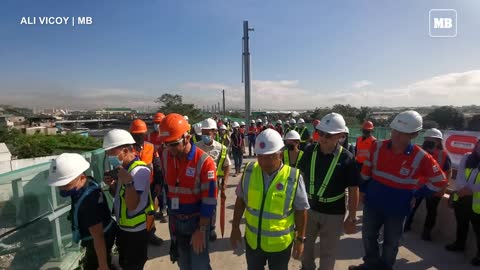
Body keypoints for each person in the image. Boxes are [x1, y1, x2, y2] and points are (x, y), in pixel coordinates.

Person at [349, 111, 448, 270]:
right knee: (368, 236)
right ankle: (370, 265)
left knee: (391, 242)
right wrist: (363, 192)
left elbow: (440, 181)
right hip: (373, 204)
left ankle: (385, 267)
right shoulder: (377, 146)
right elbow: (366, 171)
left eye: (402, 133)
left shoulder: (421, 157)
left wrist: (417, 193)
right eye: (395, 130)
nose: (396, 135)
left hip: (397, 209)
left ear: (414, 134)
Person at [230, 129, 310, 270]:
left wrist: (300, 239)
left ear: (280, 153)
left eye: (269, 157)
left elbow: (301, 210)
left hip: (280, 246)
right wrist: (235, 227)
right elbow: (240, 201)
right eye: (260, 156)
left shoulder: (293, 177)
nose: (263, 162)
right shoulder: (249, 171)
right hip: (253, 243)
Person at [299, 113, 360, 270]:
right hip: (310, 209)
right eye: (321, 133)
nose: (323, 138)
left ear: (340, 136)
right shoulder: (309, 151)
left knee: (328, 252)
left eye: (328, 135)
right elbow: (299, 178)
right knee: (305, 249)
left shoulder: (347, 158)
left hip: (334, 213)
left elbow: (353, 189)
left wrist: (352, 217)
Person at [158, 113, 218, 270]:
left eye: (173, 144)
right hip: (176, 222)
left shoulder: (204, 162)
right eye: (166, 144)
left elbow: (209, 200)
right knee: (183, 264)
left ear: (187, 138)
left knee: (200, 265)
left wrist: (202, 229)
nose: (169, 149)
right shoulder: (165, 156)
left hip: (197, 223)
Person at [48, 153, 116, 270]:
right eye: (59, 186)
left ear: (82, 178)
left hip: (98, 240)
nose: (62, 189)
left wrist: (103, 265)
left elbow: (98, 237)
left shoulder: (89, 202)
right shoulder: (88, 182)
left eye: (66, 184)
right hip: (106, 232)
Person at [102, 129, 154, 270]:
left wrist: (129, 182)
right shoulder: (124, 169)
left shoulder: (138, 171)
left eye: (111, 152)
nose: (108, 156)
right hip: (124, 229)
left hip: (136, 232)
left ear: (125, 151)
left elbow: (132, 205)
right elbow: (119, 197)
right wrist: (112, 185)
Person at [404, 128, 452, 240]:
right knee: (412, 207)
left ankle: (426, 232)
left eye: (432, 139)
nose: (429, 141)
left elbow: (448, 172)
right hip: (419, 186)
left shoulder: (444, 155)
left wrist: (443, 188)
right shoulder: (420, 152)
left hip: (435, 188)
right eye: (427, 139)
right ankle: (406, 225)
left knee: (431, 211)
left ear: (439, 141)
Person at [129, 119, 164, 246]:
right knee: (134, 210)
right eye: (135, 135)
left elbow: (157, 165)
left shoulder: (150, 147)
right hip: (132, 187)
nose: (138, 137)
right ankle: (137, 235)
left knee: (150, 210)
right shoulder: (127, 150)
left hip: (149, 185)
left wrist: (159, 183)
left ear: (145, 134)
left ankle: (150, 233)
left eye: (140, 134)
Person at [445, 140, 480, 266]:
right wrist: (463, 189)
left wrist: (470, 190)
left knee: (478, 230)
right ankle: (459, 244)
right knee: (461, 223)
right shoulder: (467, 157)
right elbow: (460, 175)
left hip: (477, 202)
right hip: (462, 198)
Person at [196, 118, 231, 242]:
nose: (205, 135)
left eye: (208, 133)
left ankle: (211, 228)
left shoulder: (221, 148)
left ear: (214, 133)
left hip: (212, 183)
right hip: (198, 182)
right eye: (203, 133)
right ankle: (199, 227)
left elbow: (227, 165)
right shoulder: (196, 147)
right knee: (198, 204)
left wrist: (225, 183)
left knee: (212, 206)